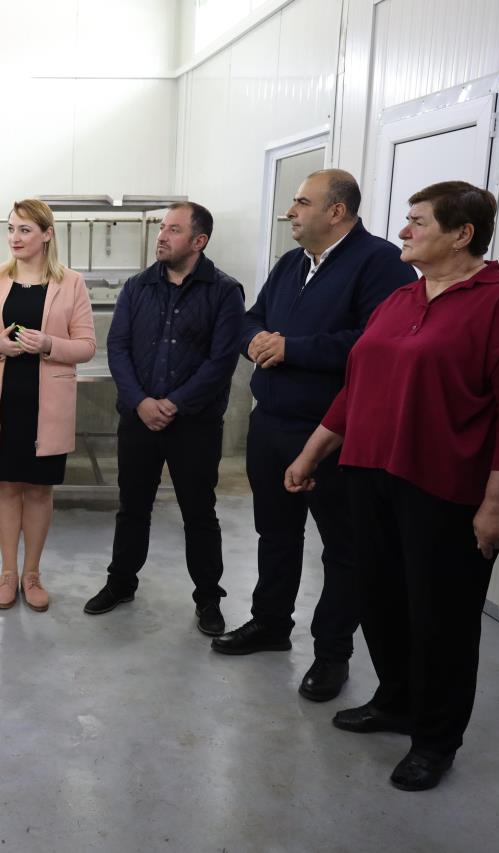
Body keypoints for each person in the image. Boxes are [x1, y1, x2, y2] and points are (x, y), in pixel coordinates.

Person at [286, 181, 499, 791]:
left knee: (442, 618)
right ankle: (397, 701)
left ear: (462, 234)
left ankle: (435, 739)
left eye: (418, 221)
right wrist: (311, 453)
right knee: (380, 600)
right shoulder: (401, 299)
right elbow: (357, 387)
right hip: (370, 475)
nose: (403, 232)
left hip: (445, 488)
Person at [212, 169, 415, 704]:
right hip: (271, 423)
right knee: (275, 532)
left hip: (333, 432)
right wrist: (257, 340)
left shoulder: (380, 263)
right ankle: (270, 623)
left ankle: (331, 654)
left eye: (302, 202)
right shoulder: (291, 263)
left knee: (343, 548)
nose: (291, 212)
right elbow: (250, 319)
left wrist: (292, 349)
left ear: (336, 211)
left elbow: (377, 344)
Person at [83, 202, 244, 635]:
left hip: (194, 424)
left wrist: (174, 403)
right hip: (139, 419)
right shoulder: (138, 287)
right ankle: (121, 582)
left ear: (199, 241)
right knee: (132, 507)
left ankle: (208, 597)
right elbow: (118, 348)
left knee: (199, 512)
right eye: (161, 227)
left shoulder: (225, 291)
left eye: (173, 230)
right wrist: (140, 402)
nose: (161, 236)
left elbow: (221, 361)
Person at [0, 199, 95, 611]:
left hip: (47, 407)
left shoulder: (71, 283)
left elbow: (86, 346)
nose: (14, 238)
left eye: (24, 230)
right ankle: (7, 573)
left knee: (38, 490)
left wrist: (49, 344)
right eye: (11, 229)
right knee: (6, 487)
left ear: (47, 234)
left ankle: (32, 574)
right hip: (3, 403)